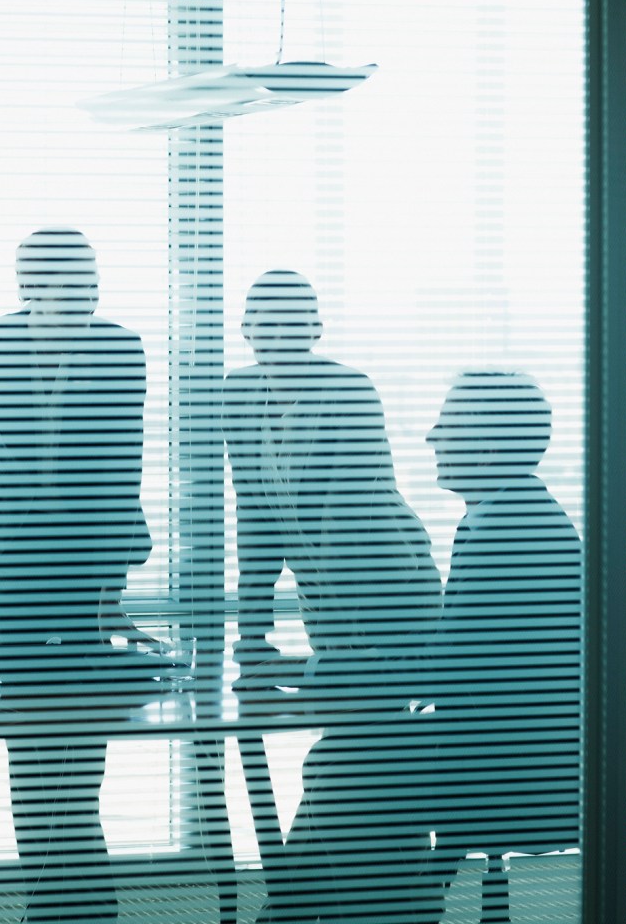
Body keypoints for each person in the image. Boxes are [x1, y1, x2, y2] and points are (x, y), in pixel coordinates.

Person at [223, 271, 446, 924]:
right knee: (362, 762)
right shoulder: (237, 395)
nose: (280, 335)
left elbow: (352, 516)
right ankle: (333, 905)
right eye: (265, 322)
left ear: (317, 330)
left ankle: (328, 908)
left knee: (356, 758)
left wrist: (324, 662)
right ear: (245, 330)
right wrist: (251, 636)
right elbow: (255, 520)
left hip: (388, 588)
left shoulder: (348, 389)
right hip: (324, 601)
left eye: (297, 323)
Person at [0, 227, 153, 922]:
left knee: (79, 744)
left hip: (84, 557)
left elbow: (121, 467)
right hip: (10, 559)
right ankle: (55, 903)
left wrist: (111, 590)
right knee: (30, 742)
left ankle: (81, 906)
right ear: (29, 286)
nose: (83, 292)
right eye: (66, 280)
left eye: (89, 278)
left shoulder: (119, 348)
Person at [424, 372, 583, 908]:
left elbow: (442, 668)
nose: (431, 436)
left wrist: (310, 672)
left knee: (347, 764)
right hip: (507, 743)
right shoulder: (513, 517)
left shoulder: (509, 533)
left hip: (510, 764)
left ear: (488, 449)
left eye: (446, 424)